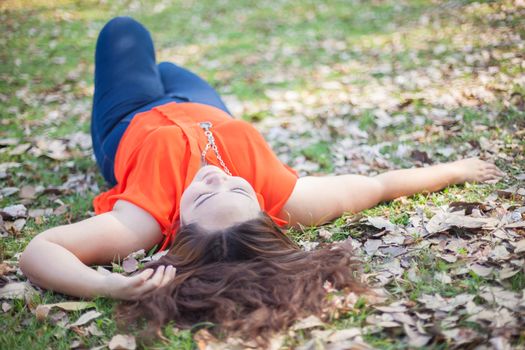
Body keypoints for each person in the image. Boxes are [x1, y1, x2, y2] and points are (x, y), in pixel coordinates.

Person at [19, 17, 504, 342]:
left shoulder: (141, 221)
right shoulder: (286, 197)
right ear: (265, 213)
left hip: (128, 120)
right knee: (170, 69)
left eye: (204, 195)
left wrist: (110, 287)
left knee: (125, 30)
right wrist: (454, 171)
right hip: (204, 107)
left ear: (181, 226)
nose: (216, 178)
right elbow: (377, 186)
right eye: (237, 190)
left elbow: (38, 252)